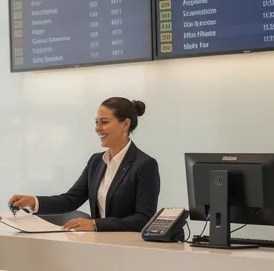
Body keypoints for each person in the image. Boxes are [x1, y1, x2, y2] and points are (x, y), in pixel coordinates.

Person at [8, 97, 160, 232]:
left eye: (104, 122)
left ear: (125, 124)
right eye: (96, 122)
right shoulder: (96, 161)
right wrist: (34, 202)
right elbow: (71, 199)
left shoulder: (145, 165)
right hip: (97, 245)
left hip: (129, 249)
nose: (97, 128)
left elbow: (143, 219)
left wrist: (96, 225)